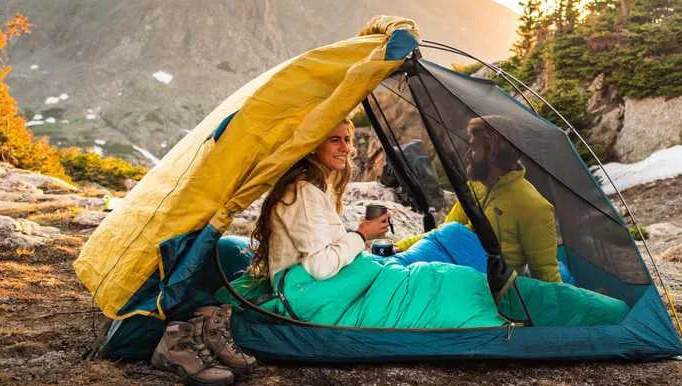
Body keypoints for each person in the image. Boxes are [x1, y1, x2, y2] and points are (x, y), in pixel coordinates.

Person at [223, 118, 626, 332]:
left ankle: (550, 304)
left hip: (341, 281)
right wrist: (363, 237)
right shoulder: (305, 192)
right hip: (318, 290)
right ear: (312, 145)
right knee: (451, 285)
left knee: (448, 276)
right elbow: (320, 267)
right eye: (336, 140)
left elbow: (546, 269)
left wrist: (376, 245)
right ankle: (593, 312)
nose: (346, 148)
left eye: (348, 140)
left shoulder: (530, 206)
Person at [393, 116, 564, 282]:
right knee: (392, 266)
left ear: (493, 154)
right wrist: (402, 245)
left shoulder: (534, 207)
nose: (467, 156)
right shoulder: (477, 186)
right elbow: (444, 234)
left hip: (484, 286)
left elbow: (546, 276)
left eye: (473, 148)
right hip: (450, 265)